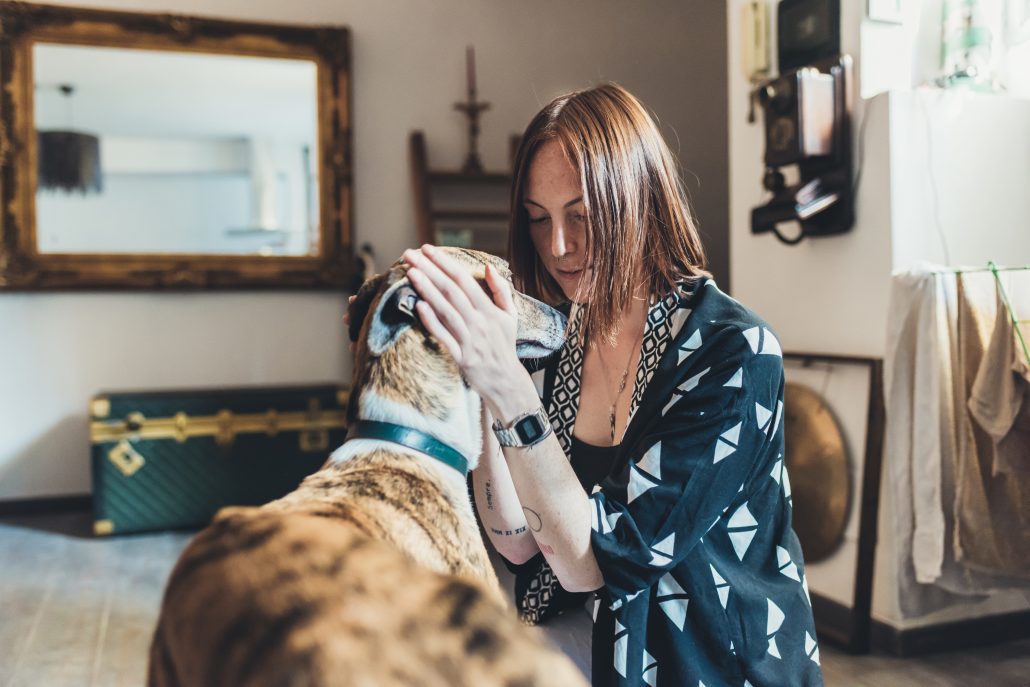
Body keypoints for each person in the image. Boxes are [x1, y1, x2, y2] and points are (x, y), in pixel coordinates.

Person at [402, 83, 822, 687]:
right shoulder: (556, 340)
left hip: (713, 658)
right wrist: (483, 383)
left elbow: (592, 561)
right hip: (596, 636)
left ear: (640, 199)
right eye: (539, 220)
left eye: (582, 215)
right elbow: (519, 546)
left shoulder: (734, 354)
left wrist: (510, 389)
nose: (560, 247)